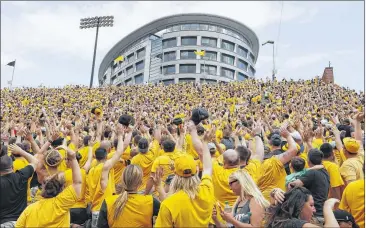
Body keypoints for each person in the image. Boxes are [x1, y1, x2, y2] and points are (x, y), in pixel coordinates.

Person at [155, 120, 214, 227]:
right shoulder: (206, 190)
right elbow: (208, 168)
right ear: (196, 170)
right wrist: (205, 143)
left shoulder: (168, 204)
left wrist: (159, 186)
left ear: (175, 174)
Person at [15, 145, 82, 227]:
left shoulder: (30, 210)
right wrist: (73, 158)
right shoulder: (61, 204)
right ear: (62, 188)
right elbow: (78, 183)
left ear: (43, 187)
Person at [97, 165, 161, 227]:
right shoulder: (150, 202)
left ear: (122, 180)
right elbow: (169, 210)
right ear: (140, 182)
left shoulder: (108, 202)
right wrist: (159, 186)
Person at [0, 144, 38, 227]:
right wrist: (21, 151)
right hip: (21, 222)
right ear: (12, 167)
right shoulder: (21, 176)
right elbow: (35, 161)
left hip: (3, 223)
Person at [288, 149, 330, 222]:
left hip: (313, 215)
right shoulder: (325, 172)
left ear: (308, 160)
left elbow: (292, 185)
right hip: (322, 213)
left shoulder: (312, 173)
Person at [265, 187, 339, 227]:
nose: (314, 210)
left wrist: (274, 191)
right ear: (299, 205)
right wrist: (327, 206)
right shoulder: (292, 223)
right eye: (311, 205)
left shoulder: (280, 221)